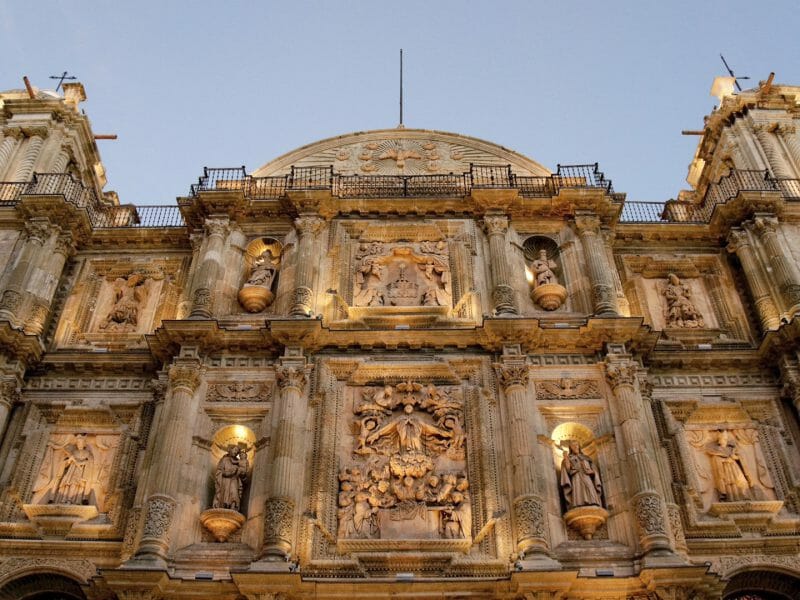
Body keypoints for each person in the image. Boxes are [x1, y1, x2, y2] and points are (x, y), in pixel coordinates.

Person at [704, 430, 753, 501]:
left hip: (735, 467)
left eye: (725, 439)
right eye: (722, 438)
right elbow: (715, 459)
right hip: (725, 469)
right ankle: (732, 498)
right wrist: (725, 460)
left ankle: (744, 497)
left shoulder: (731, 448)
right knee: (729, 483)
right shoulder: (716, 450)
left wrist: (735, 457)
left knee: (740, 480)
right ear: (719, 439)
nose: (724, 440)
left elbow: (739, 457)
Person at [560, 440, 603, 509]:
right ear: (570, 448)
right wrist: (565, 457)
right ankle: (578, 504)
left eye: (576, 445)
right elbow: (568, 469)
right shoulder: (569, 458)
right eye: (573, 446)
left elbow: (594, 470)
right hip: (576, 477)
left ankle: (594, 502)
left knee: (590, 488)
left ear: (579, 447)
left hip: (586, 476)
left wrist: (591, 472)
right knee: (578, 490)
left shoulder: (586, 458)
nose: (575, 447)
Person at [213, 445, 249, 512]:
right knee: (225, 494)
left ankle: (233, 506)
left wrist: (242, 474)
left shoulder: (239, 462)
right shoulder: (224, 459)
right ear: (230, 450)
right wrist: (227, 473)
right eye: (235, 450)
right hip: (225, 481)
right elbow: (219, 471)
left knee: (234, 493)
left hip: (235, 480)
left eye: (237, 451)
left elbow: (245, 478)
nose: (236, 452)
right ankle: (222, 505)